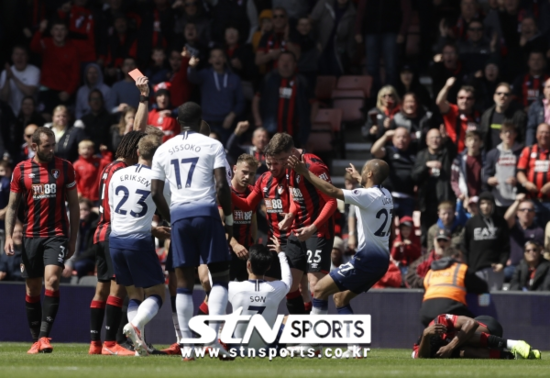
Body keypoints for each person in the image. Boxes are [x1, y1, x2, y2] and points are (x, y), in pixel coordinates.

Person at [150, 102, 233, 359]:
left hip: (179, 215)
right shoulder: (212, 145)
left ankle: (187, 345)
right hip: (206, 212)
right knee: (219, 277)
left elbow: (154, 192)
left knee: (184, 283)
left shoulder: (163, 148)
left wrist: (170, 216)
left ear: (177, 120)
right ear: (201, 120)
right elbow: (221, 186)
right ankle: (213, 341)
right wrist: (228, 219)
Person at [287, 156, 392, 358]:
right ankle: (355, 349)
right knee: (340, 298)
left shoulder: (365, 195)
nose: (360, 172)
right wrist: (358, 178)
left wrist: (304, 172)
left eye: (364, 170)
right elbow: (368, 191)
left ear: (369, 174)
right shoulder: (386, 193)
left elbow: (332, 192)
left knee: (318, 289)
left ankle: (311, 344)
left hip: (367, 259)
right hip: (382, 260)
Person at [3, 127, 79, 354]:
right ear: (34, 146)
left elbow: (74, 206)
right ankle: (36, 340)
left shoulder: (65, 167)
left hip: (56, 234)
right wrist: (8, 235)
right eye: (47, 146)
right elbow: (13, 206)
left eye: (53, 144)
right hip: (30, 236)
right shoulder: (21, 170)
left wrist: (73, 238)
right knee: (33, 287)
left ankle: (45, 336)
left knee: (53, 280)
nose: (52, 149)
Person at [108, 135, 170, 356]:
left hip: (115, 239)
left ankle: (138, 345)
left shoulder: (118, 174)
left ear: (137, 152)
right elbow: (169, 207)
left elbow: (112, 208)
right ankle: (135, 327)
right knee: (157, 292)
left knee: (134, 294)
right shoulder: (158, 178)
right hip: (138, 240)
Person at [88, 131, 146, 356]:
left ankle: (95, 343)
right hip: (116, 230)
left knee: (100, 289)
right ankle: (111, 342)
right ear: (134, 150)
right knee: (118, 288)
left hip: (100, 232)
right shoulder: (124, 171)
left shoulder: (108, 167)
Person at [228, 240, 292, 351]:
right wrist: (281, 254)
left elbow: (212, 279)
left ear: (248, 264)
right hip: (268, 350)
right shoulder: (276, 288)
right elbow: (288, 278)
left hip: (238, 350)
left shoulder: (233, 288)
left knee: (223, 320)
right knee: (289, 319)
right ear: (268, 267)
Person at [253, 52, 316, 148]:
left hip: (296, 132)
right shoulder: (269, 79)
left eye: (289, 61)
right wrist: (258, 120)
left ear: (295, 64)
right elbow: (256, 99)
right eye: (282, 60)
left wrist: (309, 122)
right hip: (271, 131)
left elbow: (314, 103)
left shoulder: (302, 81)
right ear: (277, 63)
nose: (285, 63)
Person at [413, 313, 539, 359]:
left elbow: (472, 323)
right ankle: (512, 356)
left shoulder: (440, 320)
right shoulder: (419, 350)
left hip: (487, 325)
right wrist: (426, 336)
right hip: (481, 344)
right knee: (463, 353)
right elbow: (421, 358)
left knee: (460, 337)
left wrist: (450, 347)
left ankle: (513, 344)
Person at [188, 47, 245, 144]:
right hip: (207, 123)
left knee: (226, 152)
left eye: (220, 56)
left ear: (224, 59)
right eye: (214, 57)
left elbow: (241, 102)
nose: (217, 59)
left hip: (226, 123)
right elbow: (192, 78)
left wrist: (232, 115)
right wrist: (191, 67)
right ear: (210, 60)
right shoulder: (204, 74)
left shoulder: (234, 78)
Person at [420, 247, 488, 326]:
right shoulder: (461, 268)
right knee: (475, 325)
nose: (462, 261)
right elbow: (482, 286)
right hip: (451, 309)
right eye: (461, 258)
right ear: (454, 257)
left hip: (426, 313)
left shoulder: (431, 272)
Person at [412, 129, 457, 245]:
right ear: (427, 141)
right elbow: (414, 176)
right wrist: (426, 166)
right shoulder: (422, 155)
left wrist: (447, 139)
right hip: (426, 202)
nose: (435, 140)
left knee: (446, 231)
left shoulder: (447, 153)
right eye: (432, 138)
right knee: (426, 233)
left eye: (437, 137)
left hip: (444, 200)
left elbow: (453, 150)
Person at [354, 0, 411, 90]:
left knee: (391, 67)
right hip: (371, 31)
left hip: (391, 32)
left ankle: (390, 94)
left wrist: (402, 32)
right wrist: (357, 30)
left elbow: (407, 11)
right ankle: (376, 94)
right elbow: (361, 10)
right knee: (371, 67)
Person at [221, 154, 259, 281]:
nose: (247, 177)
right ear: (235, 168)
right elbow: (220, 225)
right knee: (221, 294)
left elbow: (254, 222)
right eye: (244, 172)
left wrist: (252, 247)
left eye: (252, 174)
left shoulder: (253, 192)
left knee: (248, 297)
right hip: (226, 251)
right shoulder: (224, 192)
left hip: (247, 254)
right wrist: (235, 245)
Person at [30, 19, 80, 115]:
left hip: (64, 92)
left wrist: (68, 92)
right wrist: (40, 30)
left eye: (62, 30)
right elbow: (33, 47)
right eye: (56, 29)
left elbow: (76, 75)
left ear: (66, 32)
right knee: (44, 120)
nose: (59, 32)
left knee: (63, 121)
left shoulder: (73, 49)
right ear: (51, 32)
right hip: (47, 89)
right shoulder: (46, 43)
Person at [463, 191, 510, 291]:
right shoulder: (471, 223)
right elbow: (464, 246)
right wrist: (468, 267)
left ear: (493, 205)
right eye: (483, 203)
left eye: (489, 203)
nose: (486, 206)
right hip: (476, 270)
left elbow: (506, 246)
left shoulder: (501, 222)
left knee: (495, 301)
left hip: (495, 270)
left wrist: (502, 263)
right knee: (478, 302)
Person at [370, 127, 416, 217]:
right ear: (393, 139)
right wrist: (385, 136)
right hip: (389, 197)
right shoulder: (388, 151)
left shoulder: (414, 154)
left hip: (408, 198)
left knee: (406, 227)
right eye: (398, 137)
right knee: (388, 228)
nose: (401, 139)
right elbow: (374, 151)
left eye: (404, 137)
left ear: (409, 139)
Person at [483, 122, 522, 218]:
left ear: (515, 134)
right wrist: (489, 179)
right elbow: (485, 174)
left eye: (511, 132)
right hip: (498, 199)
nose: (508, 134)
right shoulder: (493, 153)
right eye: (505, 132)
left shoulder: (521, 152)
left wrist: (518, 181)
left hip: (516, 199)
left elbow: (526, 174)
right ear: (500, 135)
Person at [310, 0, 356, 77]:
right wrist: (316, 41)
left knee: (336, 73)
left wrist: (350, 56)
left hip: (338, 50)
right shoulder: (324, 3)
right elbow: (312, 23)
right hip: (320, 47)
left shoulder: (352, 12)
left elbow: (351, 37)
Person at [503, 195, 544, 282]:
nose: (526, 212)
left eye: (529, 210)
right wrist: (517, 201)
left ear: (534, 214)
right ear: (517, 213)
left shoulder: (538, 231)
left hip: (531, 268)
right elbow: (506, 218)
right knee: (501, 274)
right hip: (513, 267)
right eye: (522, 210)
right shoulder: (514, 226)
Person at [516, 123, 550, 227]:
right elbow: (520, 172)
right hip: (532, 202)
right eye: (541, 132)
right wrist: (526, 183)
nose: (543, 135)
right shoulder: (528, 150)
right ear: (536, 135)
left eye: (547, 133)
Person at [437, 77, 480, 153]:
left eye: (468, 98)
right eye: (461, 98)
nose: (464, 101)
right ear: (457, 99)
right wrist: (447, 86)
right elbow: (440, 102)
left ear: (473, 101)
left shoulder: (477, 115)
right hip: (451, 153)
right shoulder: (452, 110)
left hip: (471, 155)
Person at [479, 83, 526, 151]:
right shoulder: (486, 115)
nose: (502, 96)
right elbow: (483, 137)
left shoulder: (519, 116)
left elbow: (523, 139)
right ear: (494, 96)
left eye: (506, 94)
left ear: (510, 98)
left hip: (511, 156)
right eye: (499, 93)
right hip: (490, 157)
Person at [255, 7, 299, 73]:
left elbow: (297, 56)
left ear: (286, 19)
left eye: (281, 16)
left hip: (292, 75)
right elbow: (258, 61)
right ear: (272, 20)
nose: (278, 19)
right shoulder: (266, 36)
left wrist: (286, 38)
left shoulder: (294, 34)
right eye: (275, 17)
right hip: (271, 76)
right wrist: (271, 55)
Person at [0, 45, 40, 116]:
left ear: (27, 57)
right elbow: (4, 98)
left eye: (23, 54)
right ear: (12, 57)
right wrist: (8, 79)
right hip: (11, 113)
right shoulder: (5, 73)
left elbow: (29, 92)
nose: (19, 57)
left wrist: (13, 77)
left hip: (30, 113)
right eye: (16, 54)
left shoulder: (34, 71)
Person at [450, 130, 485, 200]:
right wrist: (459, 194)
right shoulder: (458, 160)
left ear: (480, 143)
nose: (473, 143)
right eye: (470, 140)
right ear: (465, 143)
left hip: (481, 198)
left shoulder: (486, 159)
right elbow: (454, 179)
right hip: (464, 197)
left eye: (476, 140)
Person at [526, 78, 550, 146]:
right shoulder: (536, 106)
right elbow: (531, 128)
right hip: (540, 146)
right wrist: (529, 147)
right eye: (548, 87)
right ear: (544, 90)